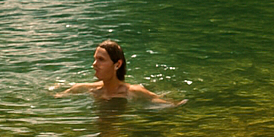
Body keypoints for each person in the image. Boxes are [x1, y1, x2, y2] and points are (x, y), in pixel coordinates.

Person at [51, 40, 182, 105]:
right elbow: (55, 97)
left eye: (101, 60)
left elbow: (167, 105)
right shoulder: (83, 88)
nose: (94, 64)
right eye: (95, 59)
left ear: (117, 64)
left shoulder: (134, 92)